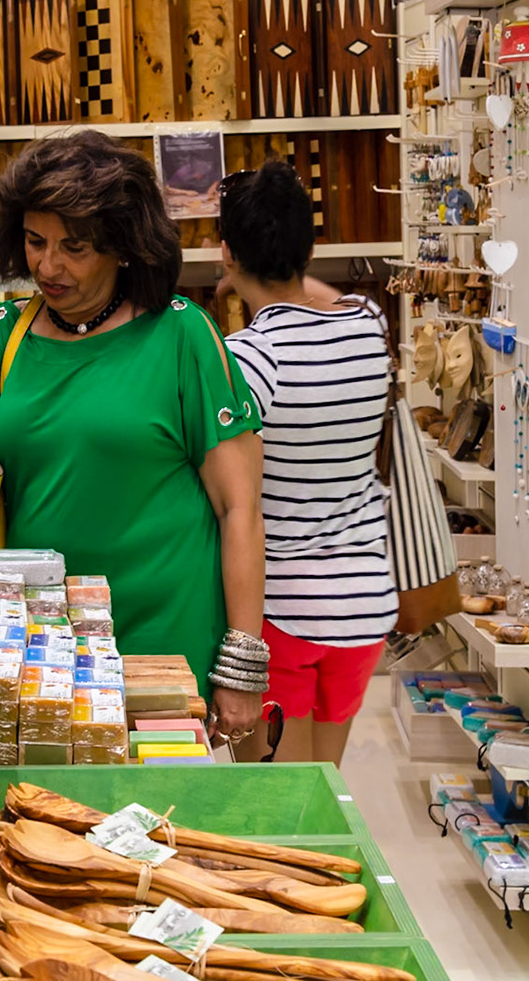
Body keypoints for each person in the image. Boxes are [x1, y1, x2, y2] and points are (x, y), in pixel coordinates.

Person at [0, 131, 268, 746]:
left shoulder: (181, 335)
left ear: (123, 248)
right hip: (44, 641)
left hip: (167, 643)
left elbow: (241, 510)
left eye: (75, 248)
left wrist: (242, 665)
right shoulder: (2, 334)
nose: (48, 266)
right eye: (35, 241)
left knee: (165, 825)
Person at [217, 160, 396, 765]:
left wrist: (241, 287)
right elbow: (323, 297)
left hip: (285, 610)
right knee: (326, 781)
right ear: (308, 247)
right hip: (365, 604)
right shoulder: (368, 327)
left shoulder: (248, 359)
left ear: (227, 254)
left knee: (274, 803)